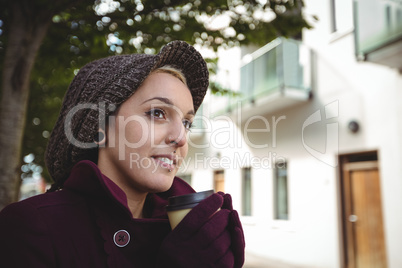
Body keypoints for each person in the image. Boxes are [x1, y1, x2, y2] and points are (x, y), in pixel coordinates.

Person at [0, 40, 245, 267]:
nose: (180, 138)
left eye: (187, 123)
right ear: (99, 127)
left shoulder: (191, 232)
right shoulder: (28, 226)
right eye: (157, 113)